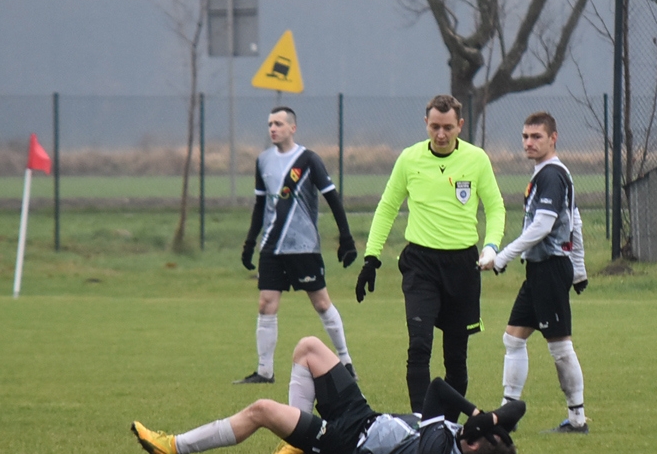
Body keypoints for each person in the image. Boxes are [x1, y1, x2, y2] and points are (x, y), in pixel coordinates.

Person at [132, 336, 525, 454]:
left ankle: (172, 447)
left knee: (261, 410)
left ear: (471, 443)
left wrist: (481, 416)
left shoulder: (441, 446)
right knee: (309, 347)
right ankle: (295, 439)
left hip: (345, 440)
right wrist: (492, 422)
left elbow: (438, 387)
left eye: (474, 432)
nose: (472, 429)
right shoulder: (465, 438)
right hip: (364, 416)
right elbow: (517, 409)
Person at [355, 94, 505, 417]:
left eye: (448, 127)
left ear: (460, 126)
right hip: (420, 265)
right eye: (434, 126)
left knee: (456, 357)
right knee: (419, 346)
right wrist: (371, 258)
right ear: (426, 123)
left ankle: (447, 425)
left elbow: (495, 207)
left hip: (463, 266)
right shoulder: (409, 160)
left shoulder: (477, 160)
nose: (440, 134)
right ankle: (423, 425)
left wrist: (492, 246)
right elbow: (387, 208)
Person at [236, 106, 358, 384]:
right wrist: (249, 242)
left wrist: (346, 238)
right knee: (266, 304)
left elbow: (333, 199)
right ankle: (264, 371)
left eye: (278, 123)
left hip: (303, 247)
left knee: (321, 303)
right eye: (269, 124)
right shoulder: (263, 161)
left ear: (293, 128)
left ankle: (346, 360)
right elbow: (260, 205)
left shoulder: (308, 160)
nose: (272, 129)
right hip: (272, 248)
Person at [487, 111, 589, 433]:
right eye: (525, 137)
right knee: (513, 338)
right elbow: (576, 221)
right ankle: (507, 415)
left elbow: (543, 227)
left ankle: (577, 420)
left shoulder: (552, 175)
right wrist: (580, 269)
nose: (529, 143)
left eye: (536, 137)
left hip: (549, 269)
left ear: (553, 138)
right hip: (540, 270)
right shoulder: (547, 174)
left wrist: (503, 256)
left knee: (560, 348)